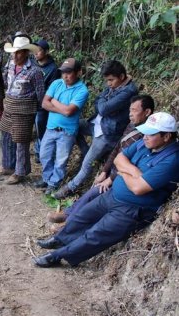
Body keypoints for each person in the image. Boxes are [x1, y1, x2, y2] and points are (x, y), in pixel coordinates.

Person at [34, 112, 179, 268]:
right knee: (82, 217)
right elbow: (119, 158)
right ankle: (59, 240)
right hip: (112, 195)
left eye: (151, 134)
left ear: (166, 137)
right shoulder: (146, 144)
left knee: (96, 234)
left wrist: (123, 171)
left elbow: (138, 189)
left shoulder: (172, 159)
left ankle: (58, 256)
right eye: (145, 132)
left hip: (133, 209)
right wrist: (132, 171)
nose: (145, 137)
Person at [46, 95, 155, 228]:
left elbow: (132, 163)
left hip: (125, 177)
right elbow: (117, 149)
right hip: (116, 170)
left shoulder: (148, 137)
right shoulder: (132, 125)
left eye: (134, 110)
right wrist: (104, 171)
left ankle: (69, 222)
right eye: (130, 110)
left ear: (147, 112)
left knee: (96, 192)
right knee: (95, 189)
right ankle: (70, 215)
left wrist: (111, 178)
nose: (130, 114)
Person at [53, 60, 138, 199]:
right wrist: (102, 103)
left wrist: (102, 103)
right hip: (97, 124)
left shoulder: (129, 91)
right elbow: (98, 100)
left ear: (122, 77)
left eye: (111, 80)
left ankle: (70, 187)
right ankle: (86, 151)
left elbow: (103, 108)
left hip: (108, 132)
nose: (108, 84)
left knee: (87, 163)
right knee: (73, 126)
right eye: (107, 80)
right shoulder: (115, 85)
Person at [33, 58, 89, 194]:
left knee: (61, 159)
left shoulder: (82, 90)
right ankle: (46, 178)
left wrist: (54, 101)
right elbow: (44, 103)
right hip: (51, 127)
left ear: (78, 72)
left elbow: (69, 111)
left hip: (67, 131)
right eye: (63, 72)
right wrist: (61, 107)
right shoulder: (57, 83)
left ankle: (54, 183)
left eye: (69, 72)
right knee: (44, 155)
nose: (65, 76)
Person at [0, 35, 45, 183]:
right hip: (10, 105)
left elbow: (40, 93)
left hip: (24, 110)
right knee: (6, 135)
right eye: (14, 52)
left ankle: (20, 172)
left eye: (18, 52)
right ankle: (8, 165)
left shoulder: (35, 71)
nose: (15, 55)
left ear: (26, 53)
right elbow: (7, 80)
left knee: (21, 141)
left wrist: (36, 111)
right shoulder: (11, 64)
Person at [33, 39, 61, 163]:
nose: (36, 53)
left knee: (41, 127)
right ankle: (37, 149)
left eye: (38, 51)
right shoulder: (33, 64)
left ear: (46, 52)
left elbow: (52, 89)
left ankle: (42, 153)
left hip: (43, 104)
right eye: (34, 51)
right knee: (35, 127)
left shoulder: (53, 68)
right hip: (31, 101)